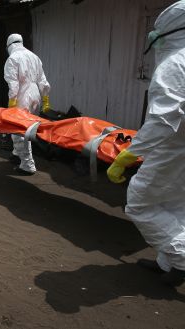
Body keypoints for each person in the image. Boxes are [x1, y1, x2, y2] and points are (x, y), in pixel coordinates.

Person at [107, 1, 185, 286]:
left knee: (139, 203)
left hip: (173, 148)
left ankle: (182, 259)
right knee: (176, 205)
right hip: (180, 149)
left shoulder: (175, 64)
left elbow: (163, 121)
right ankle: (169, 264)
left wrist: (129, 154)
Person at [4, 33, 51, 175]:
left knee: (20, 131)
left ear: (10, 45)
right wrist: (46, 99)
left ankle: (27, 165)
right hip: (35, 94)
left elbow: (13, 84)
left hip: (22, 95)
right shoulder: (34, 57)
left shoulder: (13, 58)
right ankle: (17, 154)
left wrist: (12, 103)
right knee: (28, 128)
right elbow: (43, 81)